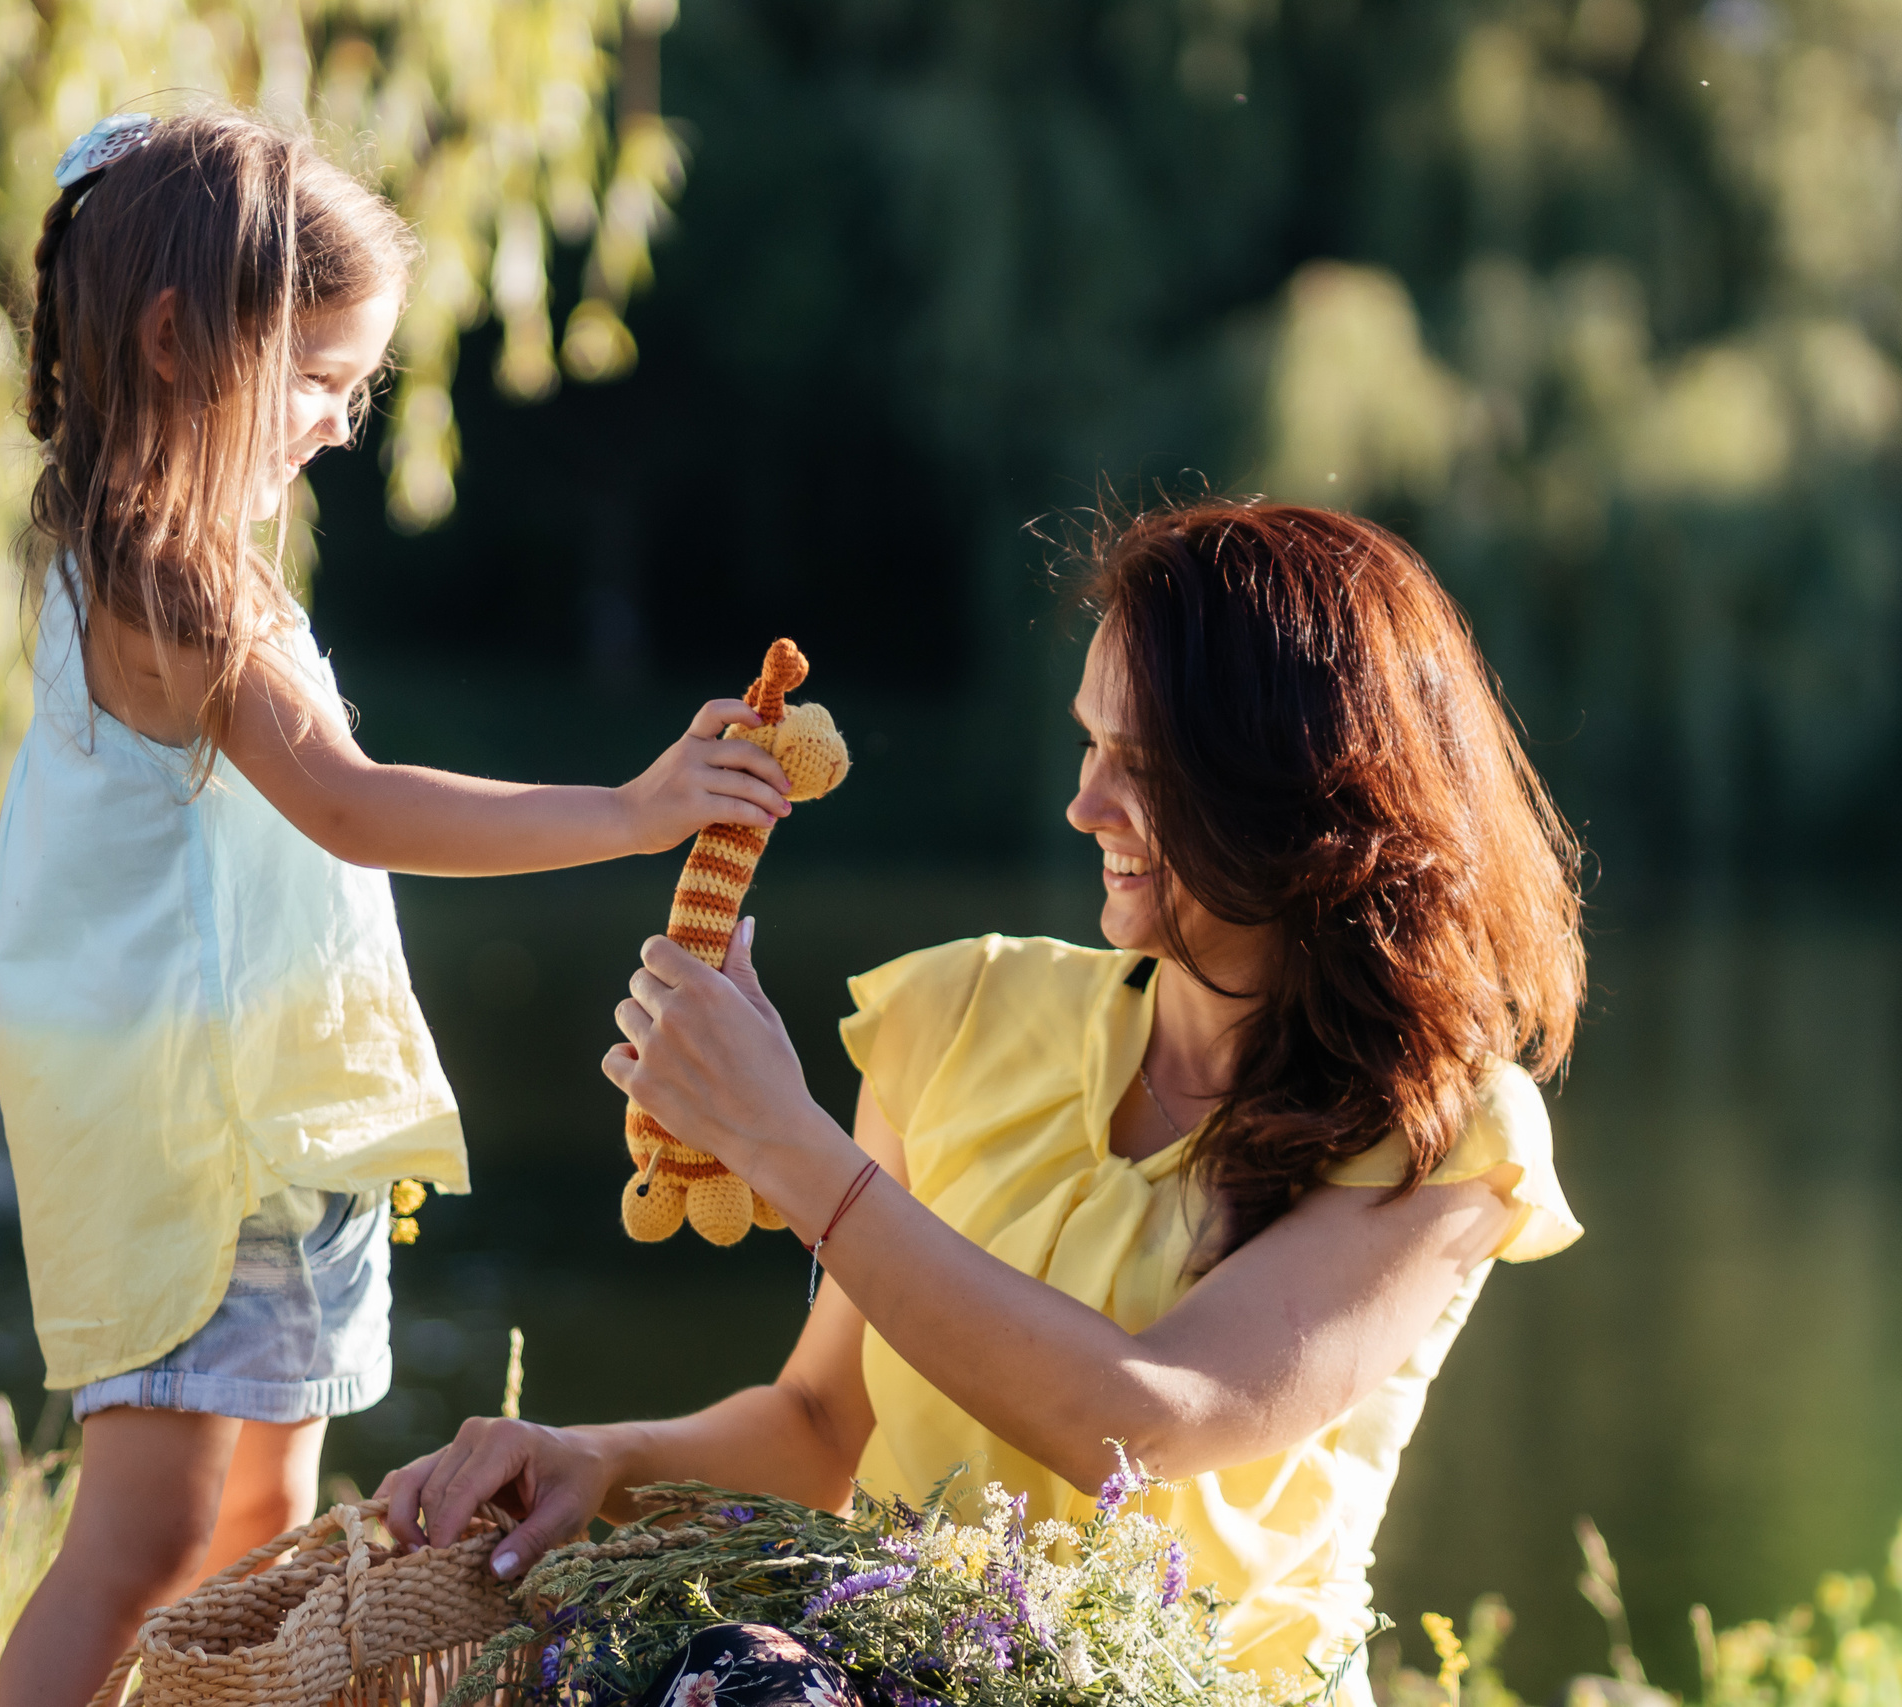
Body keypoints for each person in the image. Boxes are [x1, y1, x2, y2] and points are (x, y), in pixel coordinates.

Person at [379, 498, 1588, 1704]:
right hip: (911, 1668)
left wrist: (782, 1144)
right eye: (1088, 745)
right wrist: (587, 1458)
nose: (1086, 805)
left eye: (1148, 770)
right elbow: (814, 1427)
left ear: (1299, 798)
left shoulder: (1441, 1132)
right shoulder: (957, 1014)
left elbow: (1146, 1425)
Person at [0, 110, 799, 1707]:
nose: (346, 422)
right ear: (177, 341)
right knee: (144, 1540)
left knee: (257, 1525)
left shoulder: (159, 550)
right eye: (321, 376)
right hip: (196, 1129)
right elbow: (355, 803)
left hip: (235, 1115)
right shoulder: (172, 576)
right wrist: (636, 814)